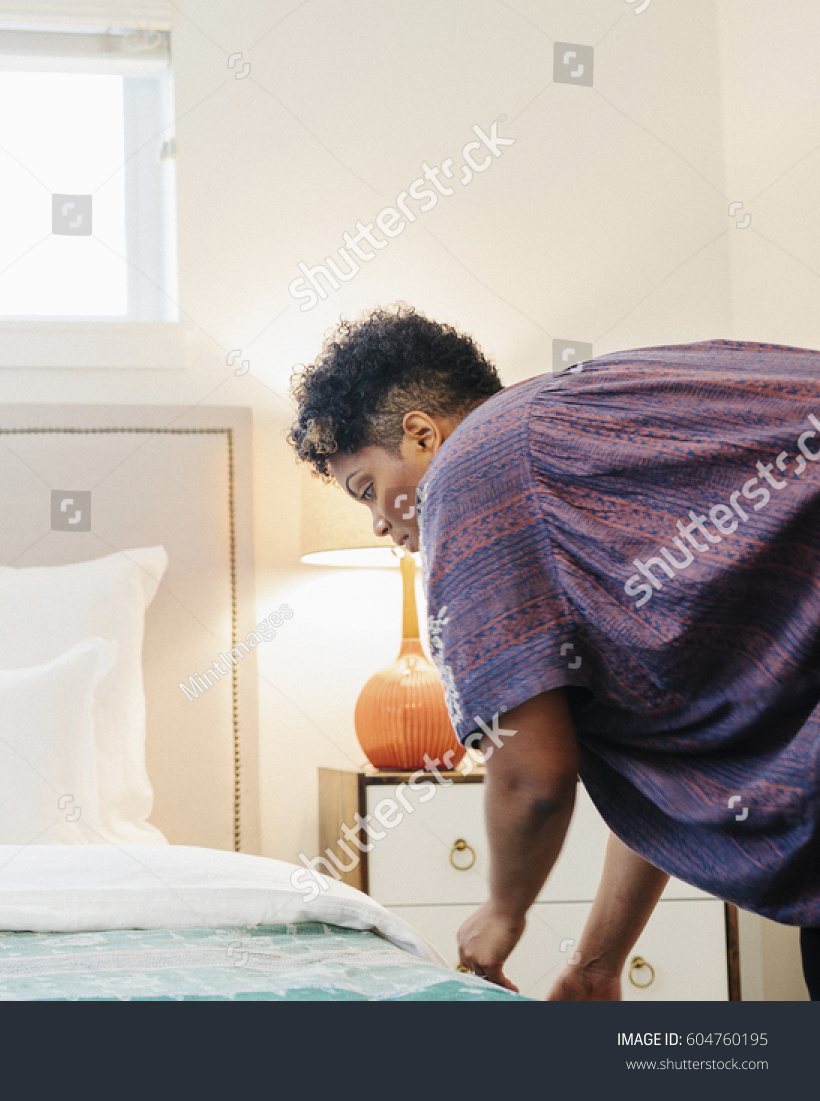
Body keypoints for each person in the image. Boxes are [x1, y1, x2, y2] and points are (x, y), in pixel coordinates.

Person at [288, 303, 820, 999]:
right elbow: (670, 757)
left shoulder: (474, 469)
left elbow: (534, 777)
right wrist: (600, 961)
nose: (382, 524)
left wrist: (502, 911)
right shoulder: (572, 428)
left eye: (369, 491)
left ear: (422, 434)